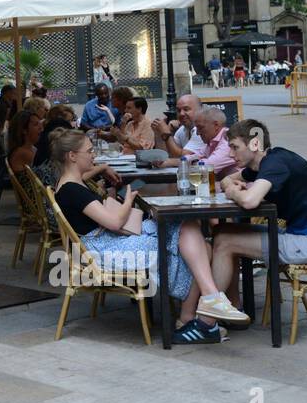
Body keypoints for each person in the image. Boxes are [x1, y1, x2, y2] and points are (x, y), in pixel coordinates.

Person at [48, 128, 248, 346]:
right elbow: (114, 223)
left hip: (104, 244)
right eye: (89, 151)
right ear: (72, 156)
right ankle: (198, 311)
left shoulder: (71, 183)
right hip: (104, 252)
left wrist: (105, 178)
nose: (93, 155)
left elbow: (96, 203)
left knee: (195, 236)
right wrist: (128, 200)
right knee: (192, 235)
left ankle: (200, 311)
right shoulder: (72, 190)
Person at [194, 120, 307, 340]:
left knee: (226, 241)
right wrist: (231, 185)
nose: (231, 154)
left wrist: (234, 193)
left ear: (254, 144)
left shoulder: (275, 164)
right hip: (303, 235)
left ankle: (206, 324)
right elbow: (225, 179)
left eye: (235, 147)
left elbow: (250, 201)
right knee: (223, 232)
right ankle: (230, 310)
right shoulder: (261, 165)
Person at [181, 106, 237, 178]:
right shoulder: (212, 141)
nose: (198, 133)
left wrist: (193, 162)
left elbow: (206, 168)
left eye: (200, 127)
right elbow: (190, 158)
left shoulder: (227, 141)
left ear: (216, 125)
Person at [151, 93, 207, 159]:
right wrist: (159, 133)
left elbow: (182, 157)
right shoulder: (183, 129)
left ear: (200, 110)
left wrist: (167, 134)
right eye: (178, 110)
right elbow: (165, 155)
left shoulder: (202, 130)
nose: (181, 114)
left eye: (186, 109)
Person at [7, 109, 45, 173]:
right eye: (36, 124)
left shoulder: (27, 148)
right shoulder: (23, 152)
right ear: (24, 130)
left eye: (40, 124)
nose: (41, 128)